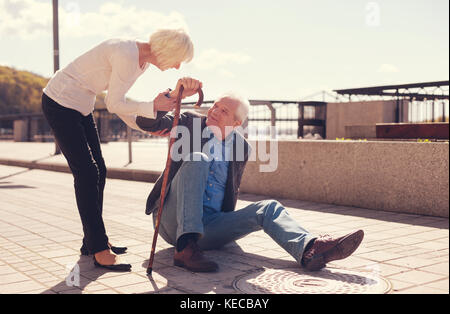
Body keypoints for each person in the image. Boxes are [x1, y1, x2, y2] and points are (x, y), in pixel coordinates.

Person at [135, 91, 364, 272]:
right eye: (215, 105)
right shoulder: (188, 122)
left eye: (223, 111)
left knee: (269, 208)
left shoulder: (241, 147)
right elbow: (146, 123)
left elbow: (229, 191)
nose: (214, 111)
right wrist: (170, 98)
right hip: (170, 220)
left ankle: (310, 249)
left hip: (208, 227)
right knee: (198, 158)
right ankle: (184, 249)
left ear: (236, 123)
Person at [41, 28, 200, 271]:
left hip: (81, 106)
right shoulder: (127, 54)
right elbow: (115, 104)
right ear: (168, 50)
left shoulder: (141, 62)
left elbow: (121, 105)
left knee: (99, 171)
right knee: (87, 173)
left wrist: (148, 118)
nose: (177, 67)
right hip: (60, 102)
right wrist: (151, 106)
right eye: (178, 59)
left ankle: (92, 241)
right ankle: (98, 248)